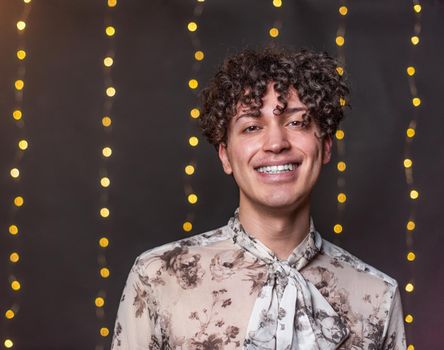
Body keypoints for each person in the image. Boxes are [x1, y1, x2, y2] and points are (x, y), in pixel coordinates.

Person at [111, 47, 406, 349]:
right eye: (252, 127)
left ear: (326, 145)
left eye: (296, 122)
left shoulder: (377, 296)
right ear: (225, 155)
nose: (276, 143)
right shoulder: (159, 278)